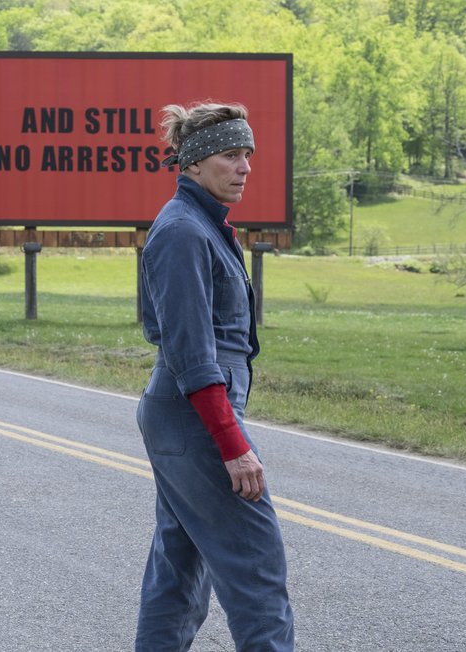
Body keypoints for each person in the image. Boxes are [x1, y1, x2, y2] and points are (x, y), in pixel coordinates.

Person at [134, 101, 294, 651]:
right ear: (195, 164)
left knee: (179, 571)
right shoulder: (182, 232)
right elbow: (192, 354)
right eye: (231, 154)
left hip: (187, 415)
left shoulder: (201, 225)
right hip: (194, 416)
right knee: (257, 570)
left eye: (248, 154)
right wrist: (232, 443)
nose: (245, 167)